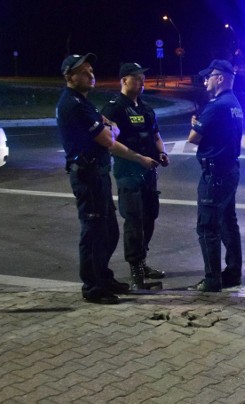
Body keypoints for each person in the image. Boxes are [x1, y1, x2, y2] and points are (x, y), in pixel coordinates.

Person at [56, 53, 158, 305]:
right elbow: (108, 138)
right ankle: (93, 287)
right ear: (69, 77)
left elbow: (108, 130)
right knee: (93, 233)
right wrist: (110, 128)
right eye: (83, 72)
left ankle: (103, 277)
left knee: (109, 230)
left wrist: (108, 127)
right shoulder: (74, 105)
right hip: (87, 175)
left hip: (97, 174)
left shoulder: (83, 102)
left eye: (91, 70)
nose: (90, 75)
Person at [100, 63, 169, 290]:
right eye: (136, 78)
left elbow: (156, 135)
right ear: (124, 81)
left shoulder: (147, 109)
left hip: (149, 173)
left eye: (142, 78)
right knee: (134, 221)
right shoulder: (113, 108)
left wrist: (162, 152)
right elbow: (111, 143)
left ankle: (143, 261)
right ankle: (136, 271)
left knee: (150, 218)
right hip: (128, 173)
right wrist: (140, 159)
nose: (141, 82)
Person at [187, 59, 244, 292]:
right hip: (229, 171)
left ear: (220, 78)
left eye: (208, 76)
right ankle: (232, 273)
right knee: (229, 224)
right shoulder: (234, 103)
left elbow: (194, 137)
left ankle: (212, 280)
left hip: (214, 175)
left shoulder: (217, 105)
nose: (205, 80)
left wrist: (196, 124)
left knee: (208, 228)